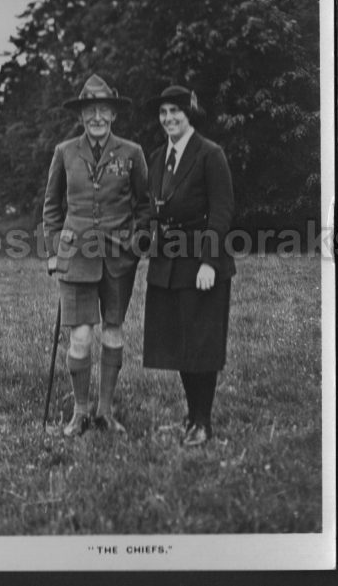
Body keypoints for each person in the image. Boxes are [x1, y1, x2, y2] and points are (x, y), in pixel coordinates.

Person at [43, 74, 149, 437]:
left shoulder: (132, 153)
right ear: (81, 116)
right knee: (81, 337)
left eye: (104, 110)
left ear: (114, 115)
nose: (97, 117)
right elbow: (51, 207)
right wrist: (55, 251)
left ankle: (105, 411)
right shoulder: (64, 152)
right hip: (76, 257)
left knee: (114, 331)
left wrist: (138, 244)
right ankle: (80, 412)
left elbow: (145, 206)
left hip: (120, 258)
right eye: (90, 111)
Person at [143, 85, 236, 446]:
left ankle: (203, 420)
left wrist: (209, 262)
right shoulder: (156, 157)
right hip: (168, 262)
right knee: (180, 343)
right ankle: (190, 414)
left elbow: (222, 210)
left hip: (200, 261)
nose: (169, 119)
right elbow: (153, 209)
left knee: (202, 342)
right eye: (163, 113)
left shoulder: (210, 154)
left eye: (175, 112)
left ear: (189, 113)